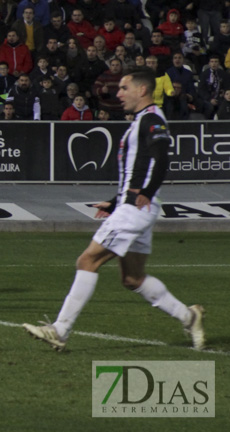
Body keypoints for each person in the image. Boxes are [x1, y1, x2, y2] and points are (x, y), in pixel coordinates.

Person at [23, 68, 205, 351]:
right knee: (132, 279)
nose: (117, 94)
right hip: (135, 206)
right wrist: (114, 200)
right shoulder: (143, 121)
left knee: (87, 261)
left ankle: (60, 330)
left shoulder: (152, 119)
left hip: (135, 209)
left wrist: (143, 194)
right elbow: (138, 169)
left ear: (142, 90)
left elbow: (161, 159)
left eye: (123, 88)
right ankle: (188, 315)